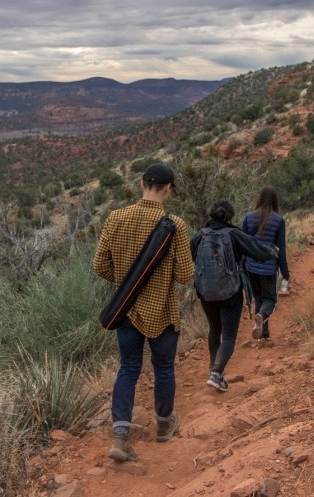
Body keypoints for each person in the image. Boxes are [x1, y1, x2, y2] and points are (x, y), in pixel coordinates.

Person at [93, 162, 193, 463]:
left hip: (125, 310)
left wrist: (126, 282)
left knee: (128, 369)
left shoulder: (116, 218)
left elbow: (100, 265)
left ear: (141, 185)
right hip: (161, 311)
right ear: (168, 189)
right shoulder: (175, 225)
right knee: (163, 369)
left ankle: (120, 437)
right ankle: (163, 426)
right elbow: (186, 275)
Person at [190, 199, 278, 392]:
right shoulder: (234, 235)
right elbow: (257, 251)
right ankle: (216, 373)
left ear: (211, 215)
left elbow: (190, 257)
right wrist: (273, 251)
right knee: (229, 336)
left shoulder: (200, 236)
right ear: (230, 217)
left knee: (214, 329)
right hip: (231, 292)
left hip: (206, 293)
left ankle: (213, 370)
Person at [241, 186, 290, 340]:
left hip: (251, 267)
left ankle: (264, 334)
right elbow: (280, 249)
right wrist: (285, 273)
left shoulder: (249, 217)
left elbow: (243, 242)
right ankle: (261, 316)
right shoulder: (278, 220)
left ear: (260, 199)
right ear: (275, 200)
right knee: (270, 300)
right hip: (268, 268)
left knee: (259, 298)